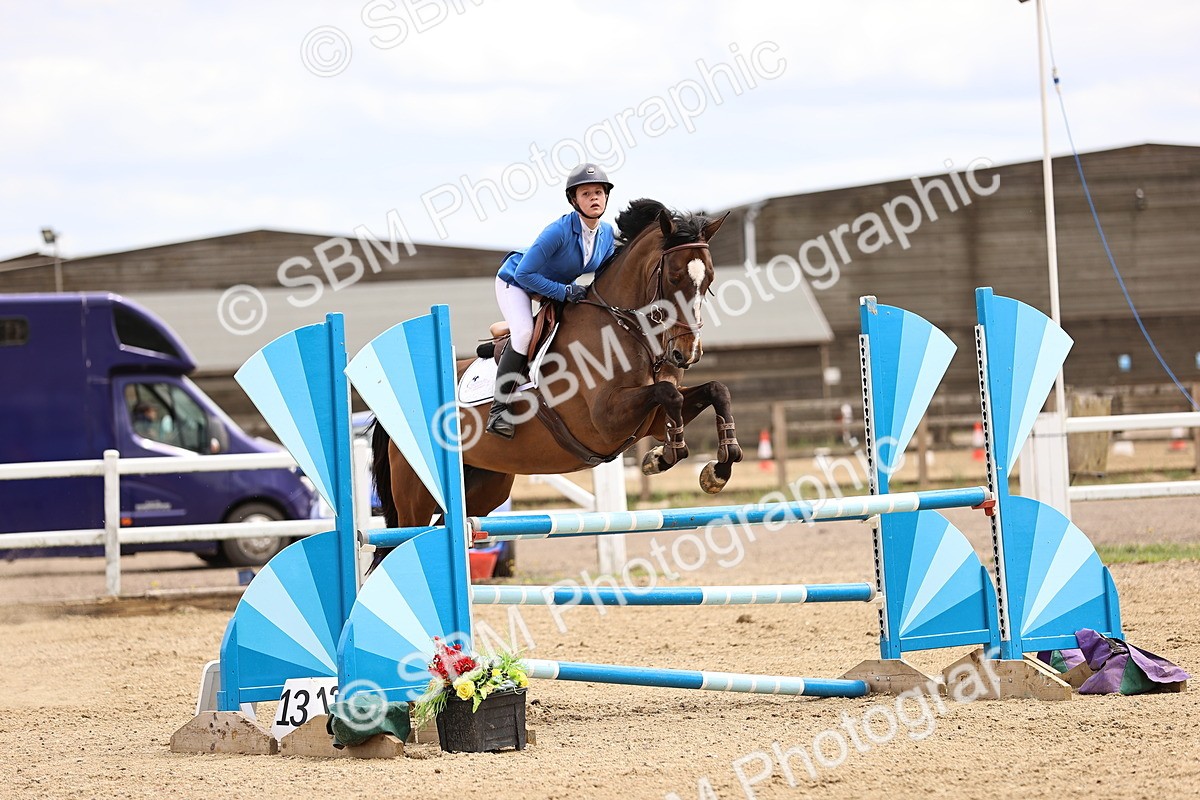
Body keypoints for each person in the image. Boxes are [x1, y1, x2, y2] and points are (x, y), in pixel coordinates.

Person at [485, 163, 617, 439]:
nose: (594, 198)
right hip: (515, 281)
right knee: (524, 334)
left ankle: (503, 342)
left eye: (598, 192)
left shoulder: (606, 234)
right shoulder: (558, 231)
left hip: (551, 286)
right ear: (574, 200)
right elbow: (524, 274)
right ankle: (499, 410)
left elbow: (605, 275)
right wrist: (565, 292)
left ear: (606, 196)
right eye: (586, 194)